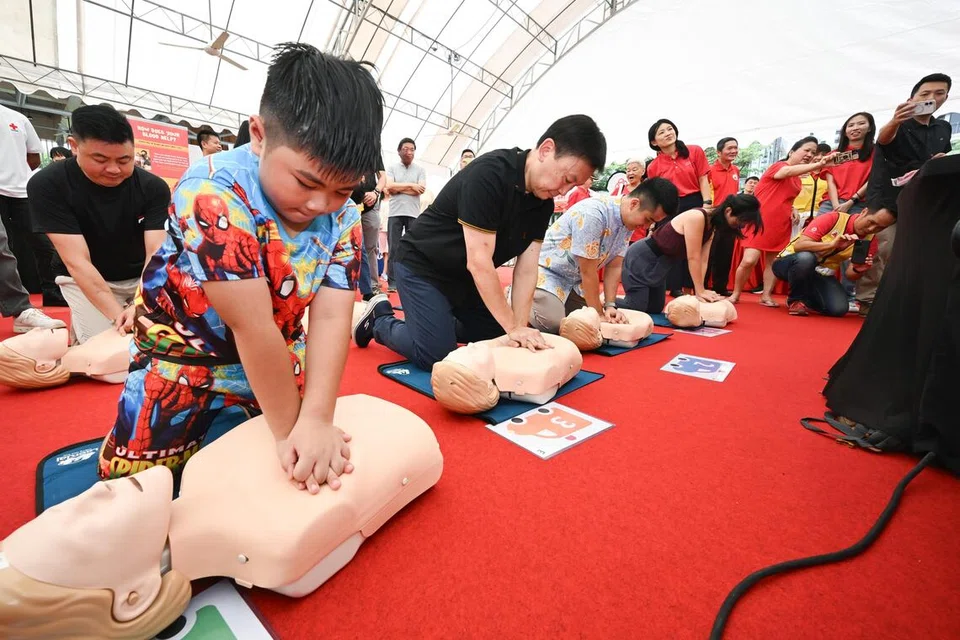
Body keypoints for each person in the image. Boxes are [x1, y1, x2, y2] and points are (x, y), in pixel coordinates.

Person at [97, 43, 382, 495]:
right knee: (132, 488)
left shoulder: (344, 214)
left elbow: (331, 316)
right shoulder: (211, 190)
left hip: (278, 353)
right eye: (306, 182)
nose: (319, 204)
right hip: (181, 358)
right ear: (259, 135)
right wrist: (290, 435)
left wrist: (316, 418)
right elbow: (251, 326)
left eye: (341, 189)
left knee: (280, 481)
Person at [352, 114, 607, 370]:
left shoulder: (543, 204)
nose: (563, 191)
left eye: (573, 185)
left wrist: (518, 329)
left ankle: (435, 323)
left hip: (464, 280)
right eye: (567, 179)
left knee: (499, 335)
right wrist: (513, 328)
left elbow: (527, 269)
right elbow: (479, 262)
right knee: (437, 355)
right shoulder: (490, 174)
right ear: (546, 149)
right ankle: (380, 320)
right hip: (423, 268)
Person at [26, 104, 171, 344]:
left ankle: (83, 332)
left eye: (124, 160)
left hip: (141, 278)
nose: (113, 169)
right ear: (74, 146)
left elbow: (155, 253)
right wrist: (120, 318)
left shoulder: (153, 187)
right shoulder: (49, 184)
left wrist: (140, 303)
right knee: (111, 348)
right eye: (100, 159)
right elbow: (77, 261)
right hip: (83, 279)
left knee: (164, 341)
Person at [530, 178, 679, 333]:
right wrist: (598, 314)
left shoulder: (628, 221)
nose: (646, 226)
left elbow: (614, 266)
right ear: (634, 204)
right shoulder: (594, 214)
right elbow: (588, 271)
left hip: (575, 283)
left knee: (582, 324)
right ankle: (520, 297)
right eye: (648, 219)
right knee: (554, 324)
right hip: (548, 274)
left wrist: (610, 305)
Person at [858, 72, 952, 316]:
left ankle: (899, 302)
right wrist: (895, 120)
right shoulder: (898, 124)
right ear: (912, 98)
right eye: (925, 93)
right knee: (884, 249)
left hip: (923, 197)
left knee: (913, 252)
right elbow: (883, 141)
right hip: (887, 197)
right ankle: (867, 299)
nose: (932, 98)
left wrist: (939, 161)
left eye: (939, 93)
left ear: (946, 97)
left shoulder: (943, 128)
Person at [729, 137, 832, 307]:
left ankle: (766, 295)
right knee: (749, 260)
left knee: (773, 262)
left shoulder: (797, 179)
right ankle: (736, 294)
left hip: (781, 223)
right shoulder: (779, 166)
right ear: (791, 152)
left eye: (813, 152)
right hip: (760, 220)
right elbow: (785, 173)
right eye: (806, 150)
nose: (810, 155)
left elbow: (785, 198)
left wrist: (793, 209)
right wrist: (818, 165)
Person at [621, 194, 762, 314]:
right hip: (643, 257)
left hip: (661, 264)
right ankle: (609, 302)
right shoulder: (697, 217)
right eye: (740, 222)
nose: (741, 226)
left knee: (654, 309)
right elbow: (693, 257)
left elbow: (703, 260)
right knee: (636, 307)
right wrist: (700, 291)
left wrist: (701, 290)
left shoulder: (712, 226)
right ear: (728, 211)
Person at [0, 103, 66, 307]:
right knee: (4, 248)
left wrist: (16, 172)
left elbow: (34, 157)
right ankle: (10, 301)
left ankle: (52, 292)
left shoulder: (18, 118)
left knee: (44, 244)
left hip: (21, 192)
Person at [773, 208, 896, 316]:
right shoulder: (833, 218)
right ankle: (795, 300)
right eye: (871, 222)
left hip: (820, 273)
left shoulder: (871, 241)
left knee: (838, 309)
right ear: (864, 212)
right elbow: (800, 246)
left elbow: (850, 275)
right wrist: (831, 245)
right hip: (788, 263)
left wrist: (858, 269)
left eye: (880, 227)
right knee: (806, 258)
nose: (871, 229)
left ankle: (806, 299)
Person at [644, 119, 712, 296]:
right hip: (671, 207)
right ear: (654, 142)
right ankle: (675, 288)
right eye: (661, 132)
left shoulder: (694, 151)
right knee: (674, 247)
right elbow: (656, 195)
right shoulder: (653, 166)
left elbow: (703, 178)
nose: (668, 133)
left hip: (695, 202)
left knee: (696, 247)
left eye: (670, 129)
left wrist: (706, 204)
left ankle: (695, 288)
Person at [383, 138, 426, 292]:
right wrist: (411, 186)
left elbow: (420, 190)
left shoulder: (420, 169)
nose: (409, 152)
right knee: (393, 248)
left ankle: (410, 282)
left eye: (412, 149)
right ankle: (392, 283)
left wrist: (398, 188)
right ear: (399, 151)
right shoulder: (392, 168)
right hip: (395, 213)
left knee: (411, 249)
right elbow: (389, 186)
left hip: (413, 213)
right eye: (406, 149)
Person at [818, 112, 876, 216]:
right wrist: (836, 205)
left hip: (860, 204)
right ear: (845, 132)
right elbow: (831, 183)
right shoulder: (834, 154)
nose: (855, 128)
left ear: (870, 128)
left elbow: (873, 180)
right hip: (830, 204)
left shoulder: (876, 153)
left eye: (861, 123)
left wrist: (851, 202)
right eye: (851, 125)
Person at [705, 137, 742, 295]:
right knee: (709, 253)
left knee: (725, 253)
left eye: (735, 148)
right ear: (719, 152)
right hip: (714, 216)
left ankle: (720, 287)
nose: (733, 151)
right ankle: (702, 286)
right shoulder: (709, 171)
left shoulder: (736, 170)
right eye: (729, 148)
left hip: (731, 218)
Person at [350, 162, 386, 301]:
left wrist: (376, 192)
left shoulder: (374, 153)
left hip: (366, 207)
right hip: (346, 203)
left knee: (367, 248)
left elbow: (383, 177)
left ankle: (369, 289)